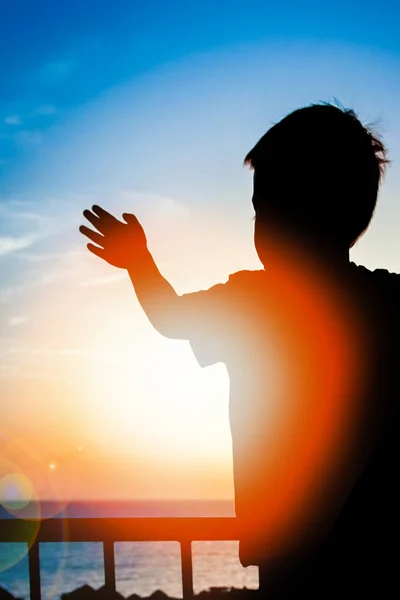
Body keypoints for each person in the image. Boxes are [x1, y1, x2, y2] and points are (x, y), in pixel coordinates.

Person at [80, 102, 398, 598]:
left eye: (265, 208)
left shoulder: (256, 304)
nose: (259, 224)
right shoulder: (385, 305)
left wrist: (138, 263)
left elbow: (171, 317)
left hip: (288, 554)